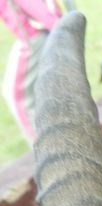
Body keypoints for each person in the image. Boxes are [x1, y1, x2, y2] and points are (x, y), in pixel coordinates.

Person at [0, 0, 64, 140]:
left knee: (18, 98)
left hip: (34, 36)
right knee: (48, 93)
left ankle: (47, 154)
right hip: (39, 33)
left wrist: (54, 23)